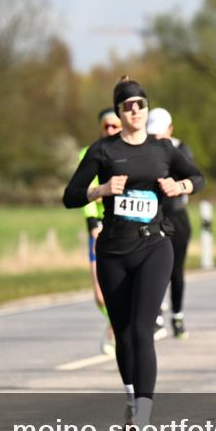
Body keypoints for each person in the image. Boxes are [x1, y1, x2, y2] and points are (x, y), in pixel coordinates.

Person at [63, 76, 204, 431]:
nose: (135, 111)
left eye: (140, 104)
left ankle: (142, 417)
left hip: (154, 246)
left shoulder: (162, 149)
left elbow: (197, 176)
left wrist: (181, 186)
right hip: (113, 251)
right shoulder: (103, 150)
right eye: (128, 106)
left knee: (142, 330)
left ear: (146, 108)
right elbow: (70, 195)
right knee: (124, 333)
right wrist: (101, 189)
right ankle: (130, 400)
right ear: (119, 112)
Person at [148, 107, 196, 339]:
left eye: (160, 133)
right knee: (152, 269)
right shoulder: (141, 149)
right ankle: (156, 316)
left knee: (176, 270)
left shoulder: (181, 149)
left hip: (176, 216)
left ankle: (177, 315)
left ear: (170, 129)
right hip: (151, 217)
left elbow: (193, 177)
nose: (157, 138)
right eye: (152, 134)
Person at [81, 109, 122, 355]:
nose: (110, 130)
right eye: (106, 126)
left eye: (115, 126)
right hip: (98, 225)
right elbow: (84, 191)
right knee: (99, 294)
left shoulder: (131, 153)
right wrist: (92, 223)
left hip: (122, 225)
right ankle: (114, 321)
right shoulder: (90, 153)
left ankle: (117, 329)